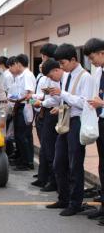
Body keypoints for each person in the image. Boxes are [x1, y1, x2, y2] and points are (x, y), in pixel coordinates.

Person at [46, 43, 93, 217]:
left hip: (77, 121)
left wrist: (63, 94)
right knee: (59, 162)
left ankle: (75, 203)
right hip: (65, 120)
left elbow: (84, 102)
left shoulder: (85, 77)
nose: (61, 66)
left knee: (75, 164)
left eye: (63, 62)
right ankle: (63, 198)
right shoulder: (66, 76)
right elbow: (67, 99)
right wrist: (59, 102)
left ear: (74, 59)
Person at [32, 59, 63, 192]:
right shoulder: (55, 78)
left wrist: (42, 102)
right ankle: (49, 179)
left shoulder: (65, 77)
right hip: (51, 112)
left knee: (51, 149)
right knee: (47, 148)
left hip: (55, 113)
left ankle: (54, 181)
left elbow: (57, 99)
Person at [83, 38, 104, 222]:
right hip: (101, 122)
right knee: (101, 165)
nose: (92, 62)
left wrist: (102, 103)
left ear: (102, 53)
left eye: (92, 57)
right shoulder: (98, 72)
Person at [7, 54, 36, 171]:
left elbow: (29, 94)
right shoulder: (21, 76)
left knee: (24, 136)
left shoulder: (27, 75)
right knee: (19, 135)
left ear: (18, 64)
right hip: (19, 105)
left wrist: (17, 99)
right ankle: (22, 159)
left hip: (25, 106)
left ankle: (27, 161)